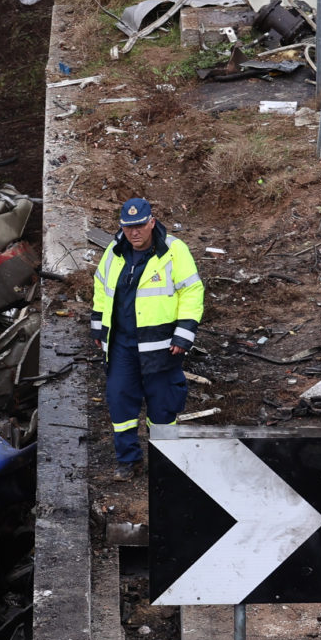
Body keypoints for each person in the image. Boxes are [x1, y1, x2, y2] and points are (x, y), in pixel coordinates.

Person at [89, 197, 204, 478]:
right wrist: (97, 328)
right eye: (128, 228)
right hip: (121, 346)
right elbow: (101, 288)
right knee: (120, 401)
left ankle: (165, 461)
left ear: (152, 222)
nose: (134, 233)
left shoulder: (174, 251)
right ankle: (128, 461)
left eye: (140, 226)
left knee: (163, 404)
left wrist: (183, 334)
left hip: (162, 346)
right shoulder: (114, 252)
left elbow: (191, 291)